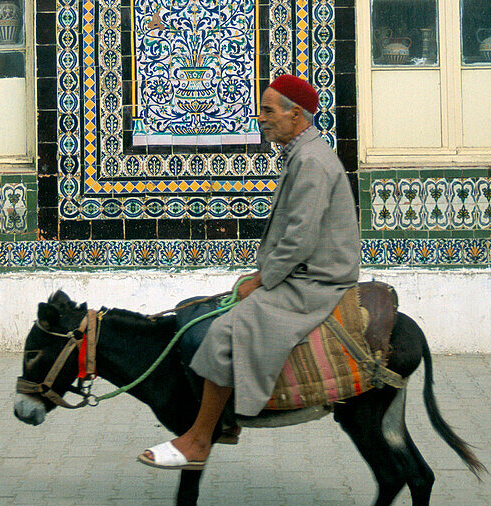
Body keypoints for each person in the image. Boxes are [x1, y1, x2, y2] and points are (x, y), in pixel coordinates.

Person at [138, 73, 360, 471]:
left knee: (225, 332)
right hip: (302, 273)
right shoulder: (304, 153)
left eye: (269, 110)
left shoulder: (311, 161)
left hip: (316, 281)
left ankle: (200, 439)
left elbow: (300, 240)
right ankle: (224, 421)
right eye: (262, 110)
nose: (262, 118)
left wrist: (261, 280)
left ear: (296, 115)